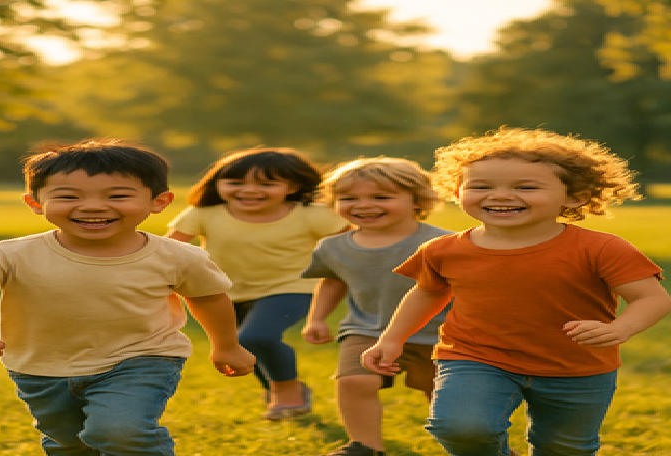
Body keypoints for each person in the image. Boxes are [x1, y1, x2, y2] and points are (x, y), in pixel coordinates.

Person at [0, 139, 256, 456]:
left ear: (159, 202)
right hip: (41, 368)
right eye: (68, 197)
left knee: (120, 432)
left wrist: (226, 346)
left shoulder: (178, 257)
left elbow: (209, 298)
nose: (92, 206)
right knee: (70, 444)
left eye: (118, 196)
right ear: (35, 203)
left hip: (140, 358)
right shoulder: (10, 255)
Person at [362, 128, 671, 456]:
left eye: (526, 187)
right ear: (457, 191)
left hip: (577, 366)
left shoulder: (602, 248)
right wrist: (392, 338)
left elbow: (651, 298)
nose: (500, 196)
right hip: (475, 357)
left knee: (566, 448)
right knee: (461, 428)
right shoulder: (442, 250)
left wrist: (621, 328)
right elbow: (428, 293)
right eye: (481, 186)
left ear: (575, 196)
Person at [165, 147, 348, 420]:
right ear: (217, 184)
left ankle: (288, 393)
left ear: (293, 187)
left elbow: (353, 244)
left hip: (291, 287)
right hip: (225, 292)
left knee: (255, 337)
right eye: (235, 182)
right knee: (243, 347)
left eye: (266, 184)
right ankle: (282, 391)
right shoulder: (204, 213)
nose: (249, 190)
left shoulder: (312, 214)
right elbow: (169, 249)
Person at [301, 157, 452, 456]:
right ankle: (365, 447)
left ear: (417, 200)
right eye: (349, 198)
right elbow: (333, 281)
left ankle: (481, 447)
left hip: (437, 333)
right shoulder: (333, 247)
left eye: (381, 197)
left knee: (443, 395)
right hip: (366, 328)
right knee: (354, 381)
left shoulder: (442, 243)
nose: (364, 205)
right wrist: (317, 318)